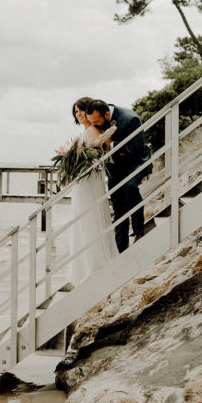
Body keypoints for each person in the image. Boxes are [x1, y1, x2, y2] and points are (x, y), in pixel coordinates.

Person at [86, 99, 151, 253]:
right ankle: (120, 247)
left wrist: (111, 145)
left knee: (130, 187)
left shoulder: (130, 118)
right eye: (92, 122)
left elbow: (137, 148)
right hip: (115, 166)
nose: (94, 125)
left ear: (107, 114)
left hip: (135, 161)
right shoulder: (98, 120)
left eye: (96, 121)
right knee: (117, 202)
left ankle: (139, 231)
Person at [67, 97, 119, 286]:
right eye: (76, 112)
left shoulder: (96, 131)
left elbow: (101, 154)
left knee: (89, 216)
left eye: (81, 111)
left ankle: (94, 264)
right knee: (81, 219)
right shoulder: (87, 131)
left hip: (90, 179)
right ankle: (83, 265)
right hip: (83, 180)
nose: (78, 115)